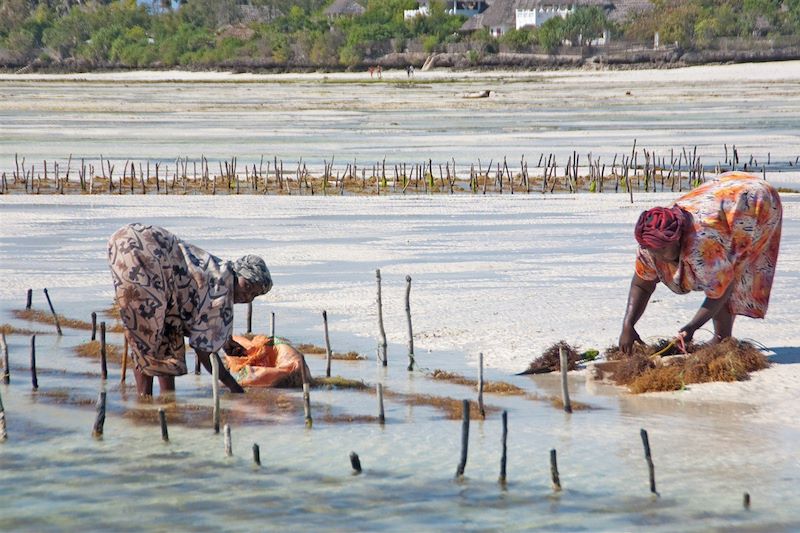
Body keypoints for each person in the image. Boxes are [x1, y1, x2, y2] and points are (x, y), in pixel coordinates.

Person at [619, 171, 782, 352]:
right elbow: (642, 285)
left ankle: (722, 338)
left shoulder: (700, 244)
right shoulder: (649, 242)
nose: (656, 256)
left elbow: (721, 288)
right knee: (720, 272)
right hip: (724, 189)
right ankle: (722, 339)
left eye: (662, 250)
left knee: (731, 268)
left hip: (755, 200)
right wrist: (628, 325)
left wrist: (693, 326)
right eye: (652, 251)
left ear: (677, 239)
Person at [108, 223, 273, 396]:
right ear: (237, 272)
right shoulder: (222, 287)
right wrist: (234, 388)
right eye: (247, 286)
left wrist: (225, 341)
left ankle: (166, 402)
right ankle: (145, 401)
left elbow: (197, 314)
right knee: (146, 333)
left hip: (133, 243)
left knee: (167, 333)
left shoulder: (217, 271)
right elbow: (204, 351)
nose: (247, 296)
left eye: (254, 295)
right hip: (139, 251)